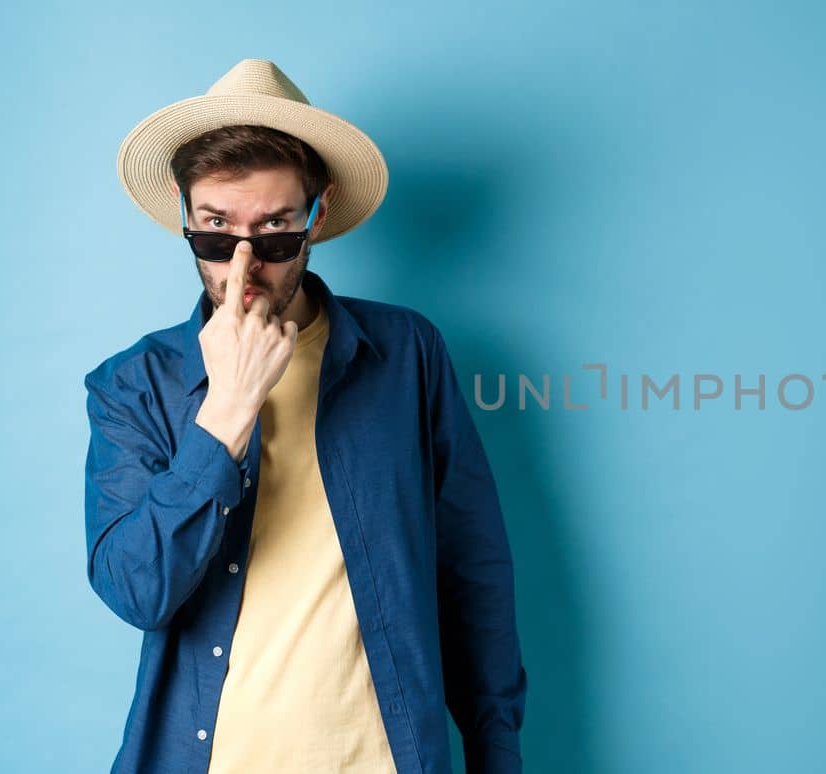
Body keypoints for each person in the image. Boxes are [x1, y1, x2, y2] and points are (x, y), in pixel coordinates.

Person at [83, 59, 526, 774]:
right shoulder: (134, 385)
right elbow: (137, 590)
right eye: (216, 233)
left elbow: (471, 569)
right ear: (182, 212)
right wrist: (224, 415)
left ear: (318, 212)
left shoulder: (406, 354)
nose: (243, 266)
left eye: (276, 231)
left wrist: (495, 751)